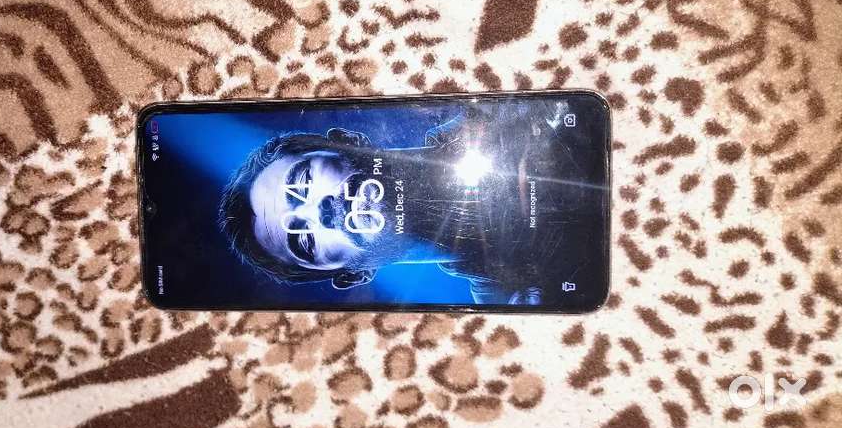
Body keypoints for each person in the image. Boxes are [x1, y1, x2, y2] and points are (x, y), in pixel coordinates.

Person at [218, 101, 588, 305]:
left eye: (302, 183)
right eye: (303, 239)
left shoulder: (494, 109)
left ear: (348, 140)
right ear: (353, 275)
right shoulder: (511, 300)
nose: (318, 211)